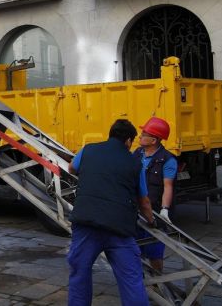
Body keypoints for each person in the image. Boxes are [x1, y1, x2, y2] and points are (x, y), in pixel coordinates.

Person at [67, 119, 155, 306]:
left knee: (80, 273)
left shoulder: (89, 149)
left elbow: (72, 168)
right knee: (131, 279)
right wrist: (151, 220)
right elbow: (144, 202)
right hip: (119, 229)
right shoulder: (135, 163)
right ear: (129, 141)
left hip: (86, 224)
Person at [134, 117, 177, 273]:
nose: (140, 136)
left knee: (154, 252)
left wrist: (164, 209)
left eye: (144, 133)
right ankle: (140, 282)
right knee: (135, 250)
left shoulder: (168, 160)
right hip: (136, 210)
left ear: (154, 140)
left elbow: (168, 186)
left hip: (154, 211)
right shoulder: (137, 153)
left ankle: (158, 283)